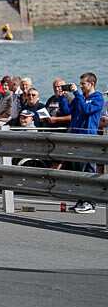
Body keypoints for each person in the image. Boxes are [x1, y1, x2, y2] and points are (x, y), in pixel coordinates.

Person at [58, 73, 104, 214]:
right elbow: (66, 111)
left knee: (89, 171)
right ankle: (81, 199)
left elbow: (86, 110)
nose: (81, 86)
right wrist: (62, 97)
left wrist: (76, 93)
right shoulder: (80, 98)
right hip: (76, 138)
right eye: (80, 83)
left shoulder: (98, 98)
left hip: (89, 139)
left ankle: (90, 202)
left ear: (92, 84)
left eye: (83, 83)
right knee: (78, 172)